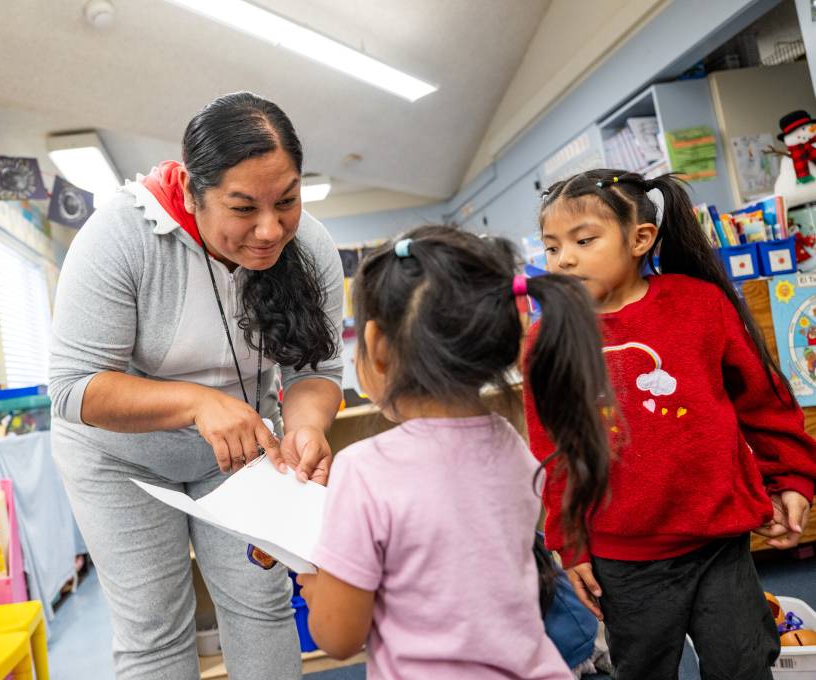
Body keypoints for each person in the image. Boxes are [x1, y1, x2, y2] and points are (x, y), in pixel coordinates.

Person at [49, 92, 344, 679]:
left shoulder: (308, 247)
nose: (269, 229)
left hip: (239, 453)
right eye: (242, 208)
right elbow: (73, 389)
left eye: (286, 201)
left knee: (260, 605)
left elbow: (317, 372)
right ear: (190, 192)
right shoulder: (121, 238)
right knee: (154, 627)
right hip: (118, 459)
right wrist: (197, 403)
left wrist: (307, 428)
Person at [530, 169, 816, 680]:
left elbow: (764, 402)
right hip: (625, 556)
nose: (563, 259)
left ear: (640, 238)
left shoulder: (698, 303)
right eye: (552, 248)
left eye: (583, 240)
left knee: (745, 665)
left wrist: (791, 477)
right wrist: (568, 542)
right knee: (643, 670)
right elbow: (552, 451)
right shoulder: (546, 336)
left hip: (719, 543)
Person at [296, 225, 613, 679]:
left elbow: (340, 637)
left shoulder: (363, 471)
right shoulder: (509, 443)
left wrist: (316, 587)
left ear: (376, 347)